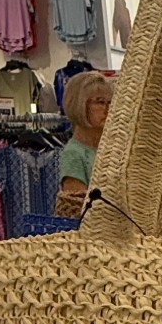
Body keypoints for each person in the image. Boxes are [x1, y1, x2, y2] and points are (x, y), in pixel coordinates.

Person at [55, 69, 114, 217]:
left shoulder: (109, 147)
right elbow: (77, 211)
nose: (108, 109)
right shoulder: (74, 154)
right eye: (100, 102)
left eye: (110, 102)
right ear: (79, 104)